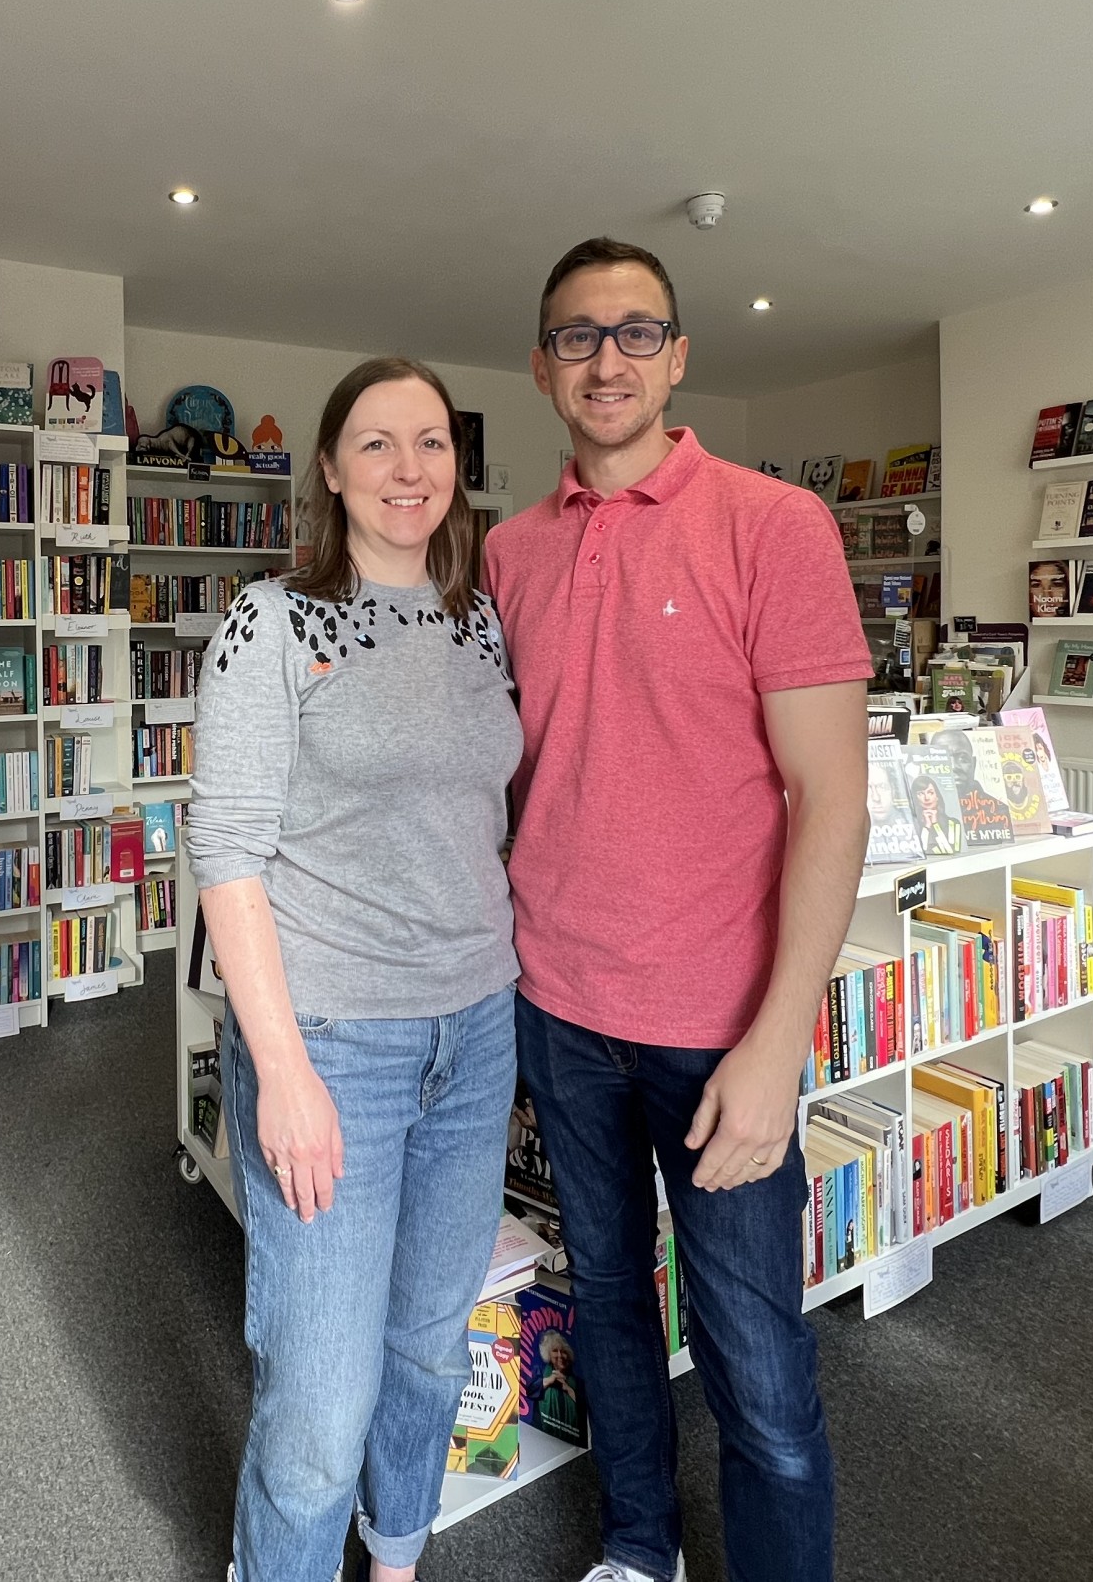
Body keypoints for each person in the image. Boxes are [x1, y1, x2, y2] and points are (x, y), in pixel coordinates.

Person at [484, 238, 872, 1582]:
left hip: (720, 1025)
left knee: (758, 1356)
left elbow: (833, 799)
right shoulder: (508, 549)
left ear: (680, 355)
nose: (608, 358)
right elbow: (517, 769)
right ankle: (641, 1546)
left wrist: (778, 1041)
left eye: (636, 332)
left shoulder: (774, 524)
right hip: (560, 1005)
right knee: (606, 1304)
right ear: (544, 365)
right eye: (579, 336)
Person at [187, 356, 523, 1582]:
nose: (406, 468)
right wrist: (279, 1070)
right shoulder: (270, 623)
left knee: (430, 1351)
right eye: (375, 443)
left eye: (429, 442)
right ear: (329, 469)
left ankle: (396, 1562)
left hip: (476, 1033)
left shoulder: (478, 617)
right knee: (320, 1408)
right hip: (332, 1044)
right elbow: (224, 852)